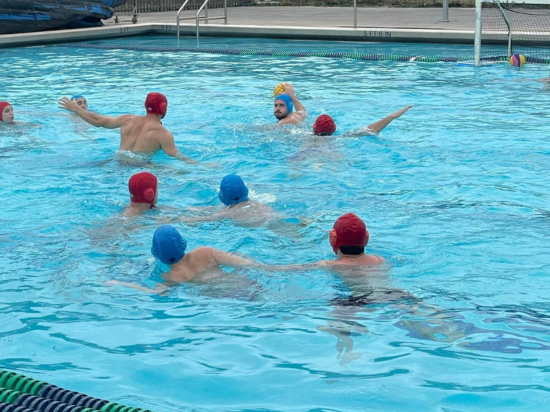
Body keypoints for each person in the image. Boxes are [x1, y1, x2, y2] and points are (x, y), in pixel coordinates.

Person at [105, 225, 256, 293]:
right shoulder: (206, 252)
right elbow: (248, 264)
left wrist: (121, 283)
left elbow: (157, 293)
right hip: (245, 285)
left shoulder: (170, 277)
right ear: (183, 244)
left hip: (224, 301)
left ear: (156, 254)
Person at [58, 92, 198, 164]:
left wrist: (76, 109)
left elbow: (98, 120)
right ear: (164, 110)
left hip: (116, 161)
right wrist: (202, 166)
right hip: (140, 166)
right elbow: (178, 157)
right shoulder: (164, 134)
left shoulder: (127, 119)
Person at [179, 174, 279, 226]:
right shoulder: (259, 204)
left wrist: (180, 219)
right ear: (246, 191)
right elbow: (216, 209)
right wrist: (196, 209)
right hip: (274, 222)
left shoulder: (228, 213)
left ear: (222, 197)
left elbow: (203, 219)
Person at [312, 106, 412, 136]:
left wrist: (294, 97)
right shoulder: (342, 137)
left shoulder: (301, 134)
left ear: (314, 127)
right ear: (335, 128)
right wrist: (390, 117)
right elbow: (371, 130)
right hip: (333, 154)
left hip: (309, 152)